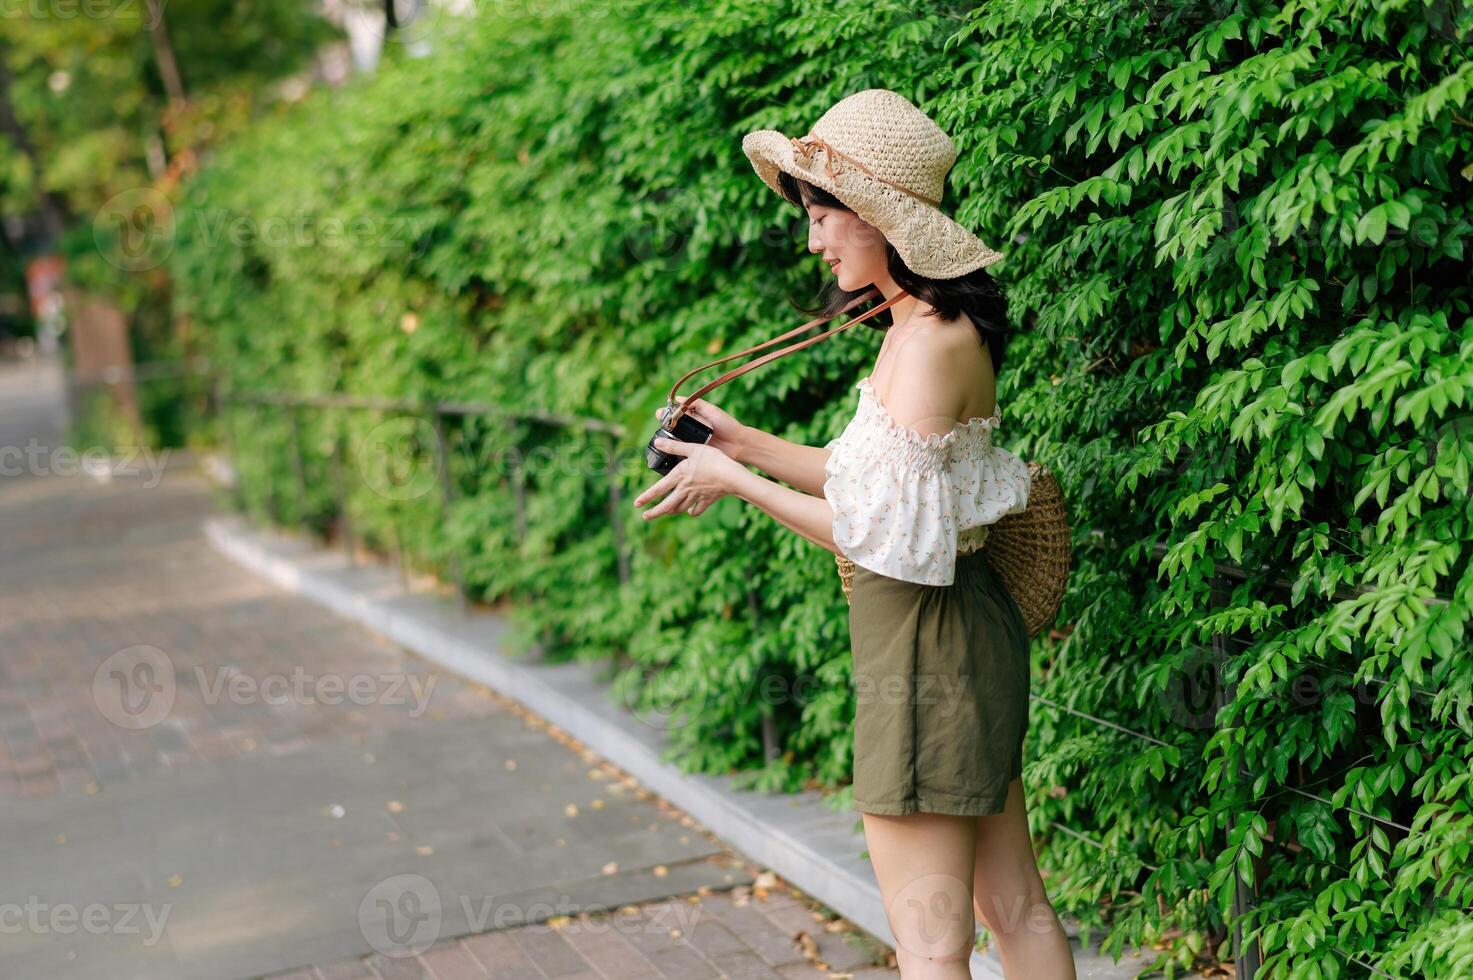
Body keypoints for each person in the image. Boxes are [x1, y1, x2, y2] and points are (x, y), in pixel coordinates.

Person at [633, 89, 1076, 979]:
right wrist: (740, 441)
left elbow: (879, 539)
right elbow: (870, 482)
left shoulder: (923, 345)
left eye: (826, 216)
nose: (814, 240)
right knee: (1014, 907)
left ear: (881, 217)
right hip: (959, 641)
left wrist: (735, 483)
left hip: (922, 655)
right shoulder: (923, 328)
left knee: (929, 943)